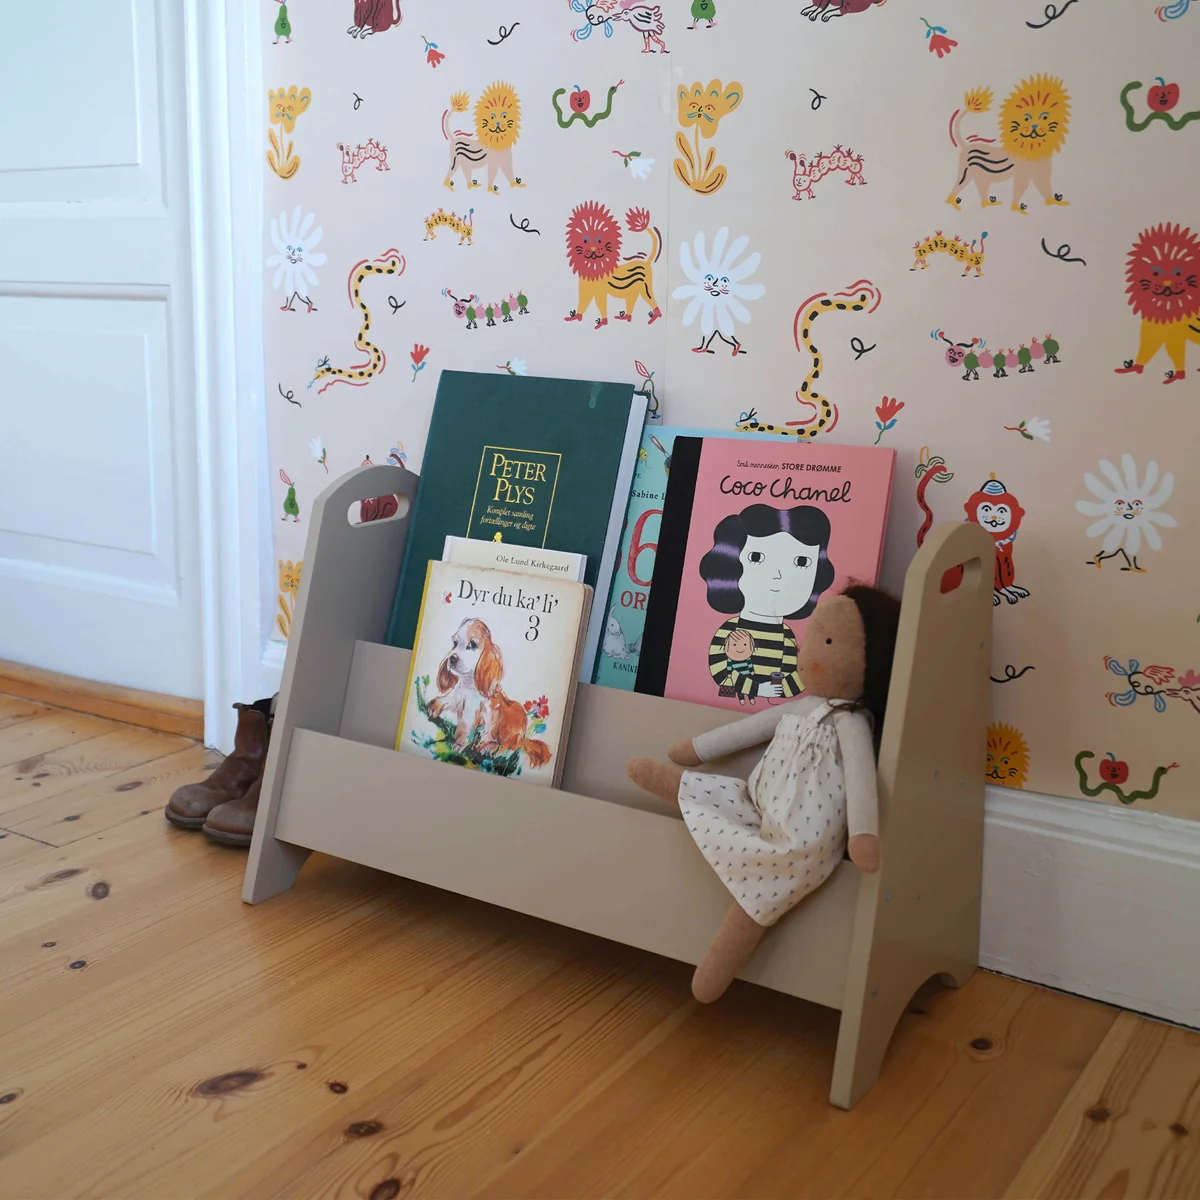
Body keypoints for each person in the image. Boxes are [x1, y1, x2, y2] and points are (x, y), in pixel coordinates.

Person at [700, 503, 835, 703]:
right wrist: (758, 688)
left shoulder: (788, 637)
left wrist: (776, 690)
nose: (778, 575)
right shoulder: (730, 630)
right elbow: (720, 672)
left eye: (802, 562)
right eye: (756, 557)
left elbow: (797, 677)